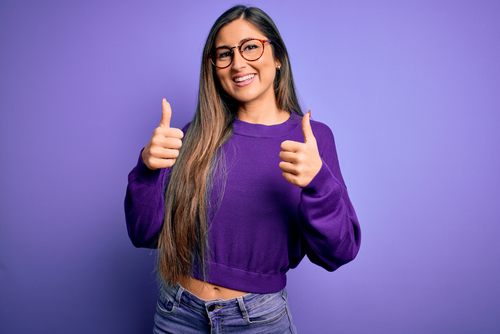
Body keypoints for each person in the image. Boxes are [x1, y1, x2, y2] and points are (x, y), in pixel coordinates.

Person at [125, 5, 361, 333]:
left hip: (257, 320)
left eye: (250, 46)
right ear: (214, 67)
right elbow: (144, 234)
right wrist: (147, 169)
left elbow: (339, 252)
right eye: (224, 54)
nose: (238, 63)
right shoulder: (194, 135)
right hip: (177, 313)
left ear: (278, 57)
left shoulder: (313, 139)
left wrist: (319, 183)